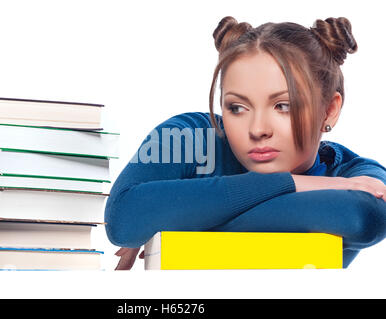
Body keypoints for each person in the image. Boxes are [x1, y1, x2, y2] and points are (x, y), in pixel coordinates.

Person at [105, 16, 386, 270]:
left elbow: (358, 218)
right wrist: (292, 183)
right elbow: (122, 218)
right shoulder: (190, 137)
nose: (258, 129)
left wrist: (173, 215)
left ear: (329, 110)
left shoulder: (355, 174)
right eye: (238, 107)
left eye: (283, 106)